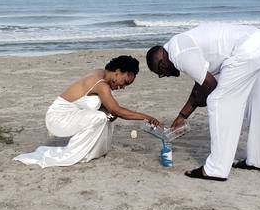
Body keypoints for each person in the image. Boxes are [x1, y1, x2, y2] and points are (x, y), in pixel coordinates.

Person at [146, 24, 260, 181]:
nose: (164, 75)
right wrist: (183, 116)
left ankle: (216, 169)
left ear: (162, 63)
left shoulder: (178, 54)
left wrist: (202, 101)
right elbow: (200, 82)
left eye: (161, 73)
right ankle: (258, 159)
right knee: (256, 102)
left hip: (245, 49)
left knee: (217, 101)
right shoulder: (177, 46)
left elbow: (210, 85)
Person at [14, 56, 161, 168]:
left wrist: (109, 113)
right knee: (99, 117)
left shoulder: (101, 74)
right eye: (125, 82)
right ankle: (77, 154)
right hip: (58, 118)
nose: (123, 87)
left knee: (104, 117)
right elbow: (117, 110)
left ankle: (92, 152)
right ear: (117, 73)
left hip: (71, 115)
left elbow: (106, 108)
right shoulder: (101, 84)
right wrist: (146, 117)